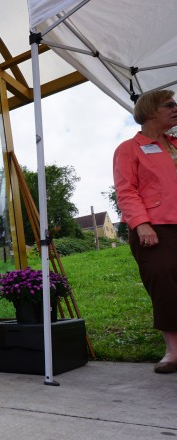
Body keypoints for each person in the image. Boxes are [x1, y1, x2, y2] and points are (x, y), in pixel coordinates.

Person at [113, 89, 177, 374]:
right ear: (151, 111)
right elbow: (125, 190)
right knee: (164, 284)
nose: (176, 108)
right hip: (154, 228)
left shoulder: (175, 144)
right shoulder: (129, 148)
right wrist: (141, 223)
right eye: (170, 105)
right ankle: (174, 351)